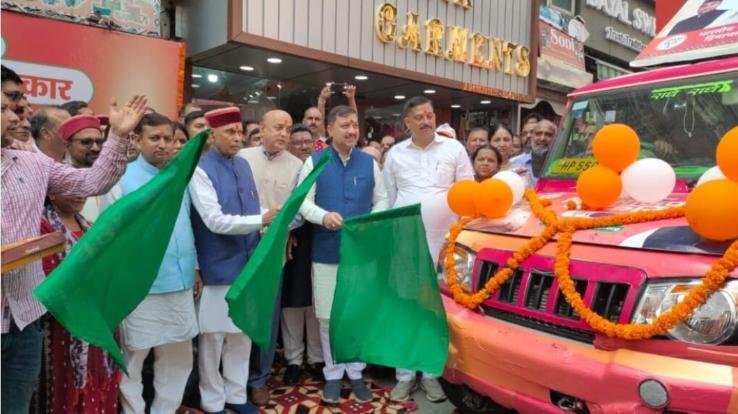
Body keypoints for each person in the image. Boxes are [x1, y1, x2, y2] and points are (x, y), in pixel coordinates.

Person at [1, 92, 147, 413]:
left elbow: (92, 181)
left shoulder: (31, 162)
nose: (14, 118)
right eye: (3, 110)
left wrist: (119, 135)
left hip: (24, 320)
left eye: (12, 109)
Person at [99, 113, 199, 414]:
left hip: (179, 280)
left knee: (179, 355)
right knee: (133, 358)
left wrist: (195, 269)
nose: (163, 144)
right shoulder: (120, 178)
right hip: (139, 286)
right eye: (154, 138)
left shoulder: (178, 176)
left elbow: (186, 226)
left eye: (168, 138)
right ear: (137, 140)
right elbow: (108, 233)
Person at [382, 96, 473, 403]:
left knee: (435, 309)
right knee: (405, 307)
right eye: (418, 117)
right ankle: (404, 376)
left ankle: (432, 374)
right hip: (405, 243)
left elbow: (467, 193)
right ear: (406, 123)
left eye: (429, 115)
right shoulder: (395, 154)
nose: (425, 121)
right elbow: (390, 198)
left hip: (445, 244)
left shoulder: (454, 149)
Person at [189, 107, 278, 414]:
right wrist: (261, 220)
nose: (237, 138)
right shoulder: (199, 170)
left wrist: (267, 223)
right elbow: (214, 220)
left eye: (240, 131)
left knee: (241, 335)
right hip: (217, 266)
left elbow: (252, 206)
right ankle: (213, 403)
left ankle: (237, 397)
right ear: (211, 135)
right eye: (230, 132)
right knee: (213, 340)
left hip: (247, 265)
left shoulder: (243, 165)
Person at [298, 105, 388, 404]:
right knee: (327, 317)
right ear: (330, 129)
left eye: (355, 125)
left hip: (361, 254)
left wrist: (369, 223)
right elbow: (303, 203)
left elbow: (383, 200)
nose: (351, 131)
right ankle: (333, 374)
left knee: (358, 313)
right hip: (326, 251)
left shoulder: (369, 163)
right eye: (345, 125)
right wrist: (323, 217)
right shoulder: (315, 162)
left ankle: (357, 372)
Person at [238, 110, 305, 402]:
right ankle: (232, 377)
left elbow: (300, 210)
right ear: (261, 129)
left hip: (273, 247)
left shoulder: (298, 166)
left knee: (266, 314)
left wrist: (281, 228)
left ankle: (258, 378)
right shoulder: (241, 158)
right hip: (238, 246)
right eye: (278, 127)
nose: (283, 133)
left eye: (288, 129)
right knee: (237, 314)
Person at [37, 193, 121, 413]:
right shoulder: (43, 227)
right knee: (66, 392)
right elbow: (48, 279)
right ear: (52, 193)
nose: (78, 195)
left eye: (82, 189)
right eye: (70, 189)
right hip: (64, 328)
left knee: (100, 387)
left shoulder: (90, 227)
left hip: (97, 323)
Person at [511, 118, 557, 182]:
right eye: (538, 134)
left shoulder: (562, 165)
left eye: (548, 135)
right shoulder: (516, 163)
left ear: (555, 139)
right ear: (532, 137)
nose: (542, 138)